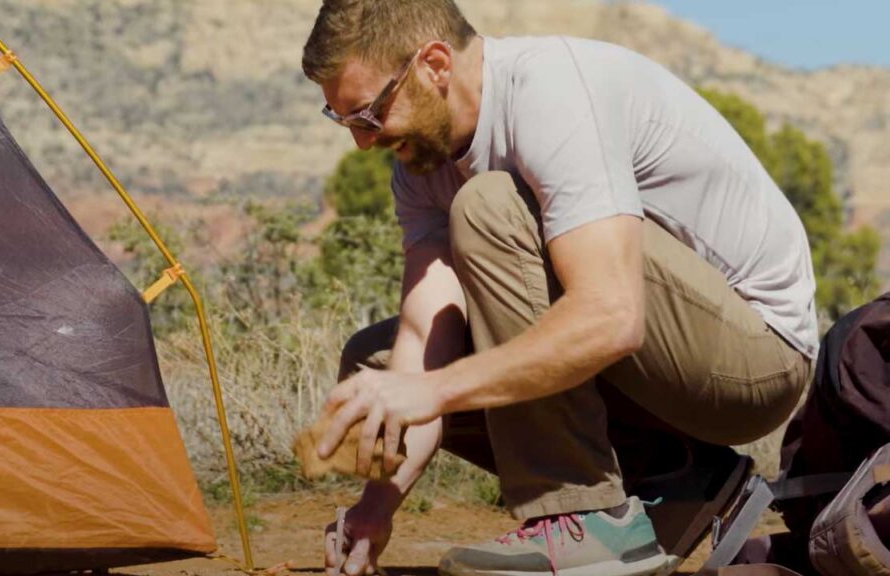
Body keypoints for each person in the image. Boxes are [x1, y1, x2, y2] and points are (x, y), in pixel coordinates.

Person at [300, 1, 818, 575]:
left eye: (370, 114)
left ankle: (587, 517)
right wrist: (376, 509)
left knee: (489, 208)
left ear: (436, 64)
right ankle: (679, 472)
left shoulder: (550, 93)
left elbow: (612, 316)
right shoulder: (424, 165)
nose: (363, 142)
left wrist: (437, 390)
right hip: (658, 367)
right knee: (376, 365)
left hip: (754, 359)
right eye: (344, 120)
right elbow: (426, 341)